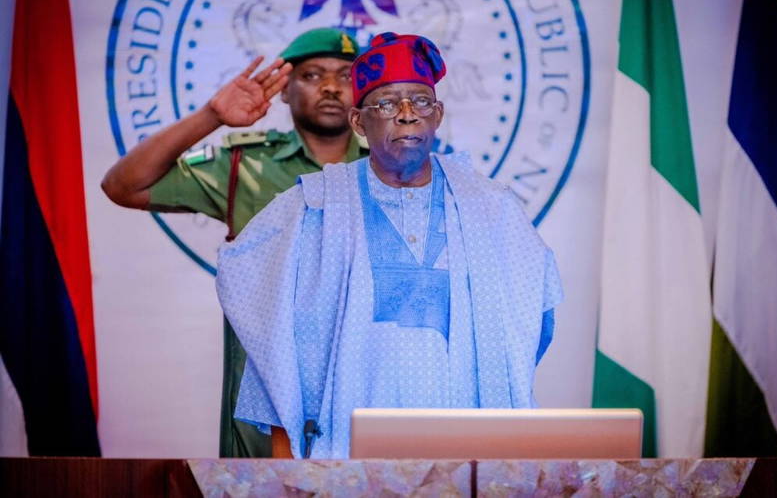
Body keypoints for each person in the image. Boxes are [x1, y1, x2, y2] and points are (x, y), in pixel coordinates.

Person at [216, 33, 562, 459]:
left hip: (468, 441)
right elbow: (272, 339)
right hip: (342, 447)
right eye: (386, 104)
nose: (406, 115)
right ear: (358, 122)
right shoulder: (311, 207)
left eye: (421, 102)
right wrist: (290, 468)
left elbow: (532, 322)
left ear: (438, 115)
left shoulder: (493, 208)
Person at [101, 27, 368, 457]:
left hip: (362, 377)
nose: (332, 87)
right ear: (284, 90)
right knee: (260, 482)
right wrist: (211, 117)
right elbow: (123, 185)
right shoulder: (244, 162)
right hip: (266, 389)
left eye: (346, 75)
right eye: (312, 75)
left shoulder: (388, 169)